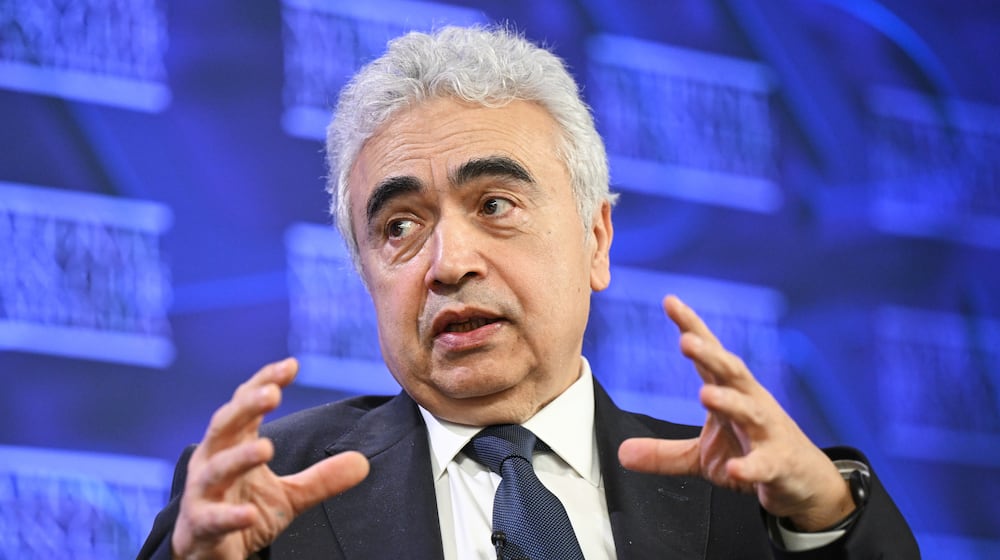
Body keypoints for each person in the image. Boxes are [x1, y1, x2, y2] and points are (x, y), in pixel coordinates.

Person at [139, 25, 918, 559]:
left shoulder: (745, 501)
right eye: (400, 226)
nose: (447, 264)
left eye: (495, 205)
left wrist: (824, 519)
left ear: (597, 239)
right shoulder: (262, 500)